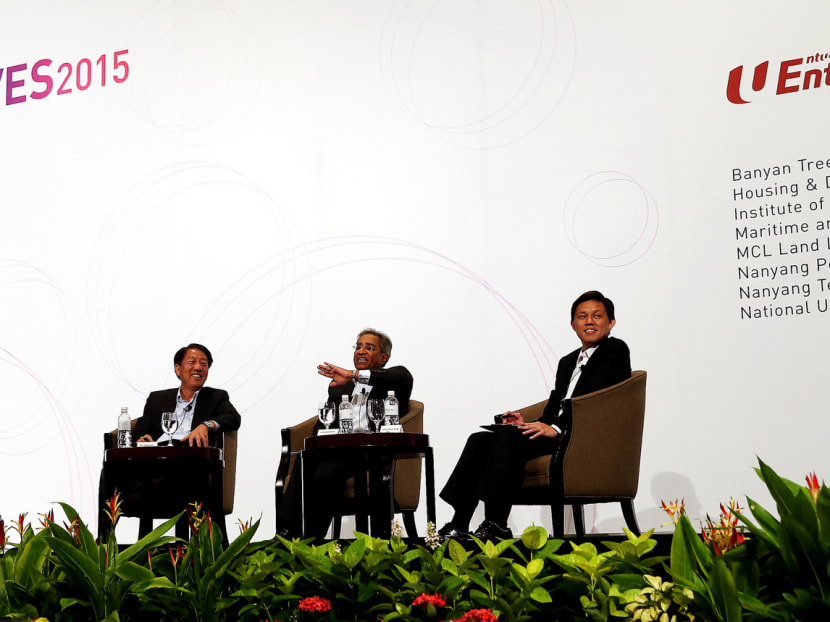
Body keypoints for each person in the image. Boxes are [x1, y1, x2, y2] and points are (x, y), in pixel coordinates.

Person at [438, 291, 631, 542]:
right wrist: (526, 423)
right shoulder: (567, 362)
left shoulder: (615, 350)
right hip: (559, 432)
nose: (590, 322)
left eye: (597, 316)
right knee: (480, 440)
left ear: (611, 322)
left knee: (506, 440)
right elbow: (556, 404)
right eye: (582, 317)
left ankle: (496, 523)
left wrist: (558, 429)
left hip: (582, 437)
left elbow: (598, 402)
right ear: (573, 325)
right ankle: (460, 522)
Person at [276, 328, 413, 539]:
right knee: (307, 459)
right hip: (343, 452)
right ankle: (287, 533)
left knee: (327, 468)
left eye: (369, 347)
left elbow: (399, 375)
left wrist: (353, 375)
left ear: (383, 357)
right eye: (358, 346)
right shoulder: (341, 389)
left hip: (374, 454)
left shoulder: (397, 379)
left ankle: (313, 537)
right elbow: (323, 424)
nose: (361, 351)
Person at [132, 343, 241, 540]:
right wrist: (142, 438)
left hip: (194, 466)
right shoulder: (157, 399)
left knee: (189, 475)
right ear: (178, 369)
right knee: (111, 470)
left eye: (204, 364)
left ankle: (204, 551)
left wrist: (206, 425)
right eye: (192, 362)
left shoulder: (215, 397)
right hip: (158, 465)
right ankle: (107, 543)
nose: (198, 367)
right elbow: (140, 429)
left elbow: (233, 418)